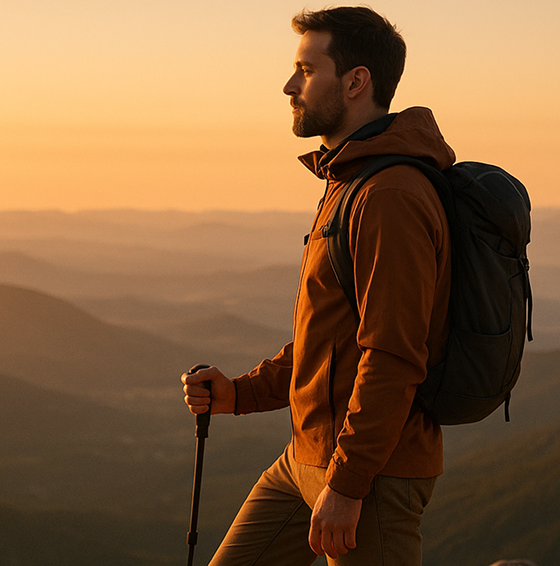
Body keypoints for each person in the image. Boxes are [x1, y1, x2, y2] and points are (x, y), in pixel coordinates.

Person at [182, 6, 455, 566]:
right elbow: (330, 339)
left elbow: (395, 355)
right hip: (305, 461)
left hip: (372, 475)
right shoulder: (349, 180)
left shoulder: (390, 196)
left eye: (306, 71)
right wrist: (243, 392)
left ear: (356, 82)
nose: (288, 86)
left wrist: (350, 485)